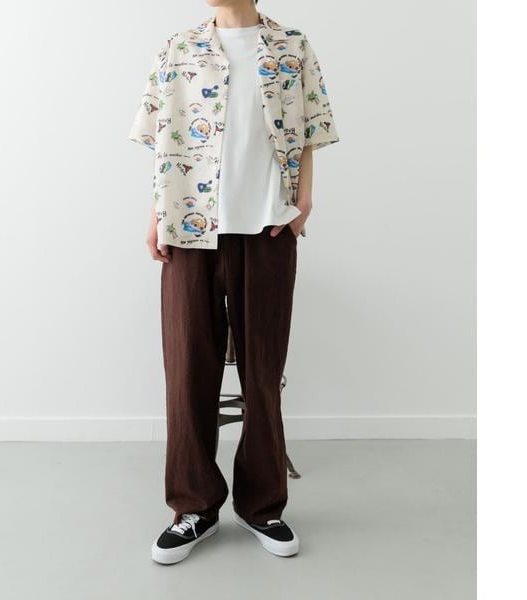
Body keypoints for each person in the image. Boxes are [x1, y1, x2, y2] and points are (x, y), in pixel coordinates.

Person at [129, 0, 339, 564]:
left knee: (262, 375)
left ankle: (262, 505)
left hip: (268, 229)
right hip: (188, 229)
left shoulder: (292, 46)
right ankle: (193, 507)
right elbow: (162, 135)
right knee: (186, 375)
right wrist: (155, 215)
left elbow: (312, 128)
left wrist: (304, 201)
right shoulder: (179, 48)